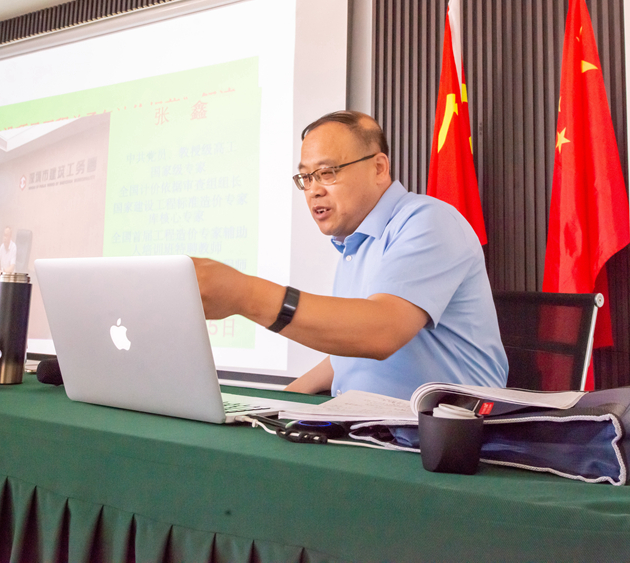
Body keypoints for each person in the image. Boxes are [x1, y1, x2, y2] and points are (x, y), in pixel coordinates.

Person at [193, 111, 508, 399]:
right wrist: (279, 402)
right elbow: (352, 351)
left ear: (379, 168)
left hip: (447, 434)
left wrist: (245, 295)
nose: (313, 190)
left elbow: (381, 332)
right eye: (306, 177)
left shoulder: (429, 220)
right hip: (366, 426)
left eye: (327, 172)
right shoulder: (353, 244)